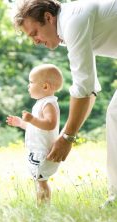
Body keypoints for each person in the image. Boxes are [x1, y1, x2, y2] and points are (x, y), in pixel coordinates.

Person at [12, 0, 117, 206]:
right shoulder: (69, 26)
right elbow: (91, 89)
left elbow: (83, 87)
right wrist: (66, 135)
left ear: (48, 18)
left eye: (34, 33)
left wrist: (67, 137)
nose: (35, 41)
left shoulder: (73, 21)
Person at [6, 64, 63, 204]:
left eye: (31, 82)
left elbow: (50, 124)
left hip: (44, 152)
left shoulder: (49, 104)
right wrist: (21, 123)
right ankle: (42, 205)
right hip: (36, 151)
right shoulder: (40, 103)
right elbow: (36, 128)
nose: (28, 86)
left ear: (45, 87)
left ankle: (43, 207)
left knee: (41, 182)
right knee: (38, 181)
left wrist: (32, 119)